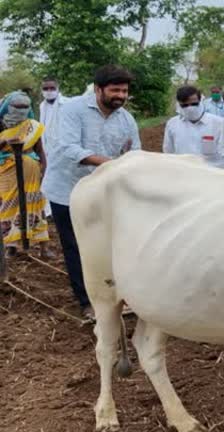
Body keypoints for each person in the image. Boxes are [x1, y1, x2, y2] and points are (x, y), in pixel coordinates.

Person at [41, 65, 141, 320]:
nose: (120, 95)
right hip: (68, 189)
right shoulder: (73, 110)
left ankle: (119, 296)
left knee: (111, 243)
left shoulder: (126, 119)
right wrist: (110, 163)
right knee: (76, 246)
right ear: (98, 89)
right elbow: (68, 148)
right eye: (114, 90)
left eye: (124, 91)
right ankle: (87, 302)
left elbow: (133, 152)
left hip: (104, 192)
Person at [0, 91, 51, 258]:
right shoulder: (1, 125)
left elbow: (40, 150)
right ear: (8, 107)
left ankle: (43, 247)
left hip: (31, 173)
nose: (21, 110)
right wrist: (5, 141)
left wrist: (44, 168)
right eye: (17, 107)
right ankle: (10, 245)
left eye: (25, 107)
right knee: (9, 205)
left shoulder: (33, 126)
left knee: (35, 206)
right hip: (7, 171)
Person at [163, 85, 224, 168]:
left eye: (194, 104)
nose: (190, 108)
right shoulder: (172, 124)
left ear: (201, 101)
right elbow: (168, 152)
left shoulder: (218, 123)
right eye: (185, 105)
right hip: (184, 173)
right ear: (179, 105)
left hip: (213, 174)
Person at [39, 77, 68, 218]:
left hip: (63, 149)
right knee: (49, 180)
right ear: (42, 90)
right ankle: (50, 211)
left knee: (63, 180)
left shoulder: (67, 104)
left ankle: (66, 209)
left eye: (52, 88)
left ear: (58, 89)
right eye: (46, 89)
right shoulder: (42, 106)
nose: (49, 91)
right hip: (47, 149)